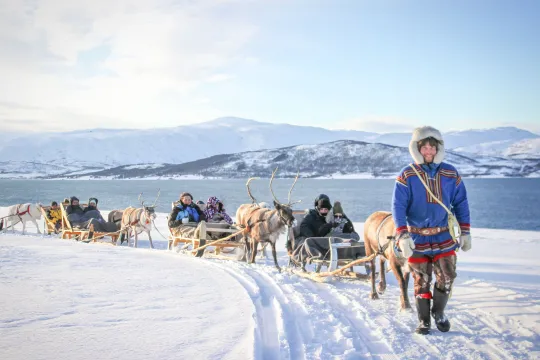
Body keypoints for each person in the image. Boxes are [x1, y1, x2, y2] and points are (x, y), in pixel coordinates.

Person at [392, 126, 471, 335]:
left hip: (444, 235)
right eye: (424, 147)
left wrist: (465, 231)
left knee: (447, 276)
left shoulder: (450, 173)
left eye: (432, 147)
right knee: (421, 280)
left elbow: (461, 202)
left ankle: (439, 312)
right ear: (417, 149)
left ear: (438, 149)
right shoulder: (407, 174)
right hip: (417, 237)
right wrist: (402, 233)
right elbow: (398, 206)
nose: (428, 151)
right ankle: (424, 320)